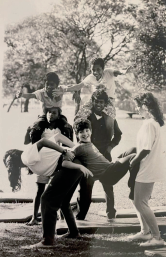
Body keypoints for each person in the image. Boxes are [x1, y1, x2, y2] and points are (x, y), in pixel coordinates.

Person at [23, 118, 136, 249]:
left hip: (107, 169)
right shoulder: (78, 148)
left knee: (53, 200)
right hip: (103, 172)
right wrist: (80, 167)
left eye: (87, 131)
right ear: (77, 134)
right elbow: (65, 159)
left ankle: (62, 236)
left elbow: (58, 141)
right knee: (134, 154)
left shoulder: (88, 144)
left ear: (91, 131)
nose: (85, 133)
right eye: (81, 132)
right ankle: (68, 234)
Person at [75, 89, 122, 220]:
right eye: (96, 102)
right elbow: (78, 135)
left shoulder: (110, 119)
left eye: (101, 102)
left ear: (106, 104)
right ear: (92, 102)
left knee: (108, 186)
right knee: (85, 187)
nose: (99, 105)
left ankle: (110, 213)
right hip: (89, 159)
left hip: (105, 157)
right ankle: (81, 215)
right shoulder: (86, 119)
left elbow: (118, 135)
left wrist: (110, 147)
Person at [126, 93, 165, 247]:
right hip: (146, 166)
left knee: (141, 202)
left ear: (146, 106)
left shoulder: (150, 123)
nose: (136, 108)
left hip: (147, 167)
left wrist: (134, 160)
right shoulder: (151, 122)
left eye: (138, 105)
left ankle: (157, 237)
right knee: (137, 201)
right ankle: (145, 232)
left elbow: (146, 149)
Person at [24, 107, 73, 226]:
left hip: (56, 161)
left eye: (54, 112)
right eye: (48, 112)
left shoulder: (62, 129)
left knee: (58, 190)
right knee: (39, 189)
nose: (50, 114)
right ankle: (34, 217)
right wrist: (29, 130)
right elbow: (28, 143)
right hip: (42, 160)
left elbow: (69, 144)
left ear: (59, 114)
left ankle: (61, 217)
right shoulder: (40, 127)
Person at [52, 57, 125, 118]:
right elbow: (78, 86)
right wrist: (64, 90)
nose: (95, 72)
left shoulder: (108, 72)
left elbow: (117, 72)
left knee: (110, 119)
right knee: (80, 116)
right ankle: (81, 130)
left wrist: (123, 71)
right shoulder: (90, 77)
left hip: (109, 100)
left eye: (98, 69)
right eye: (93, 70)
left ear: (103, 69)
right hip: (95, 100)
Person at [16, 72, 73, 144]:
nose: (49, 86)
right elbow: (31, 95)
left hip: (58, 116)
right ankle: (36, 150)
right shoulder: (41, 93)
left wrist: (76, 93)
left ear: (57, 85)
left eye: (51, 84)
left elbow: (72, 87)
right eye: (47, 84)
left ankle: (68, 152)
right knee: (35, 130)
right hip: (44, 117)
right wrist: (22, 95)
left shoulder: (60, 89)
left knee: (68, 128)